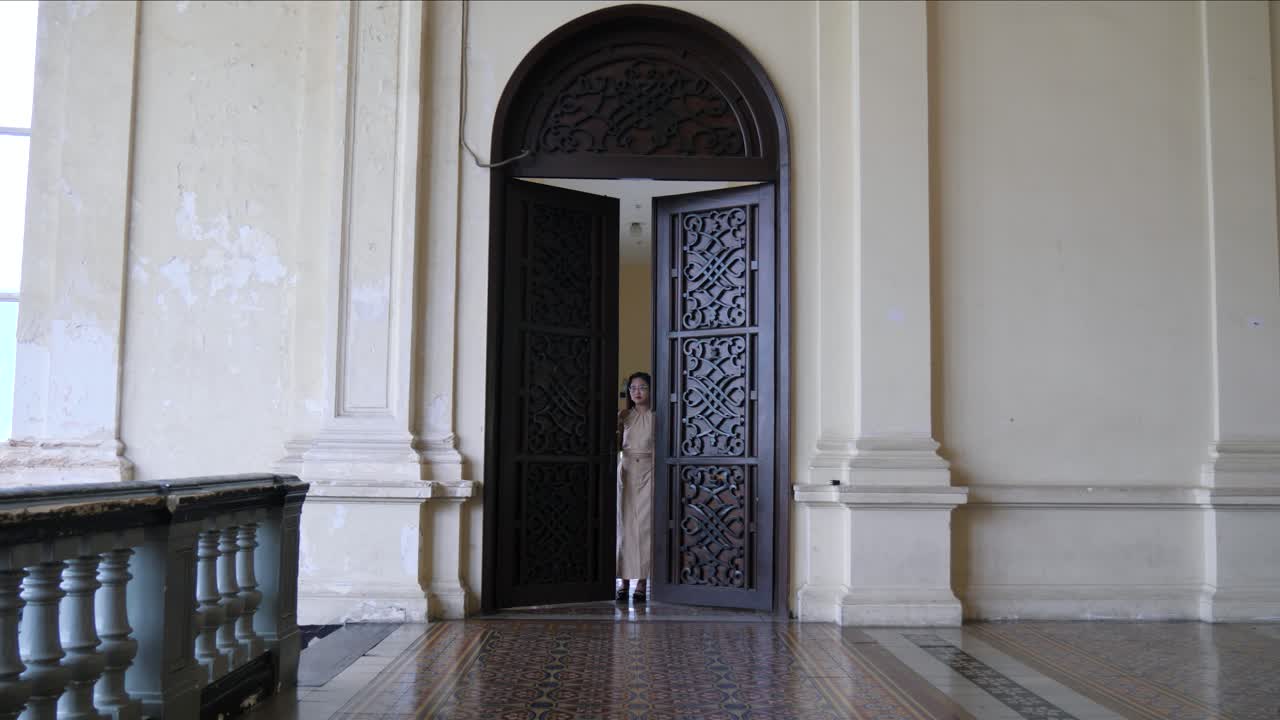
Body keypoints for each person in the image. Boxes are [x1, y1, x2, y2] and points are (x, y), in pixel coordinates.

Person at [616, 371, 653, 603]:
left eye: (642, 387)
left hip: (650, 472)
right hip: (627, 471)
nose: (637, 392)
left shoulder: (657, 416)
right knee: (625, 527)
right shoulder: (624, 416)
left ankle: (642, 581)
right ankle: (624, 581)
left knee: (645, 528)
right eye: (633, 388)